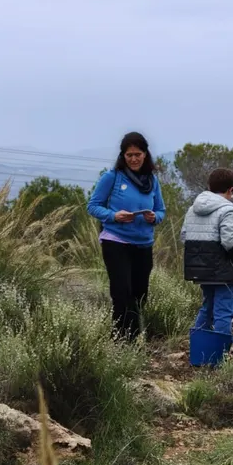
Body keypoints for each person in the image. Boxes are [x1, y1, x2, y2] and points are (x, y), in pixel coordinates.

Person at [87, 131, 166, 342]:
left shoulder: (152, 181)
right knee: (122, 294)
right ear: (123, 155)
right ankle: (119, 341)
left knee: (139, 296)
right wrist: (114, 216)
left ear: (145, 155)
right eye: (129, 154)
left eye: (137, 154)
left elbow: (161, 210)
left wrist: (154, 218)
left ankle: (133, 338)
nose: (133, 158)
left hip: (143, 244)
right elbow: (93, 206)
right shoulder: (111, 177)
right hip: (116, 241)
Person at [180, 168, 233, 336]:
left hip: (201, 269)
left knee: (208, 308)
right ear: (231, 190)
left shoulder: (192, 209)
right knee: (224, 312)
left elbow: (184, 237)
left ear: (209, 186)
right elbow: (230, 241)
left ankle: (200, 352)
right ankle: (221, 356)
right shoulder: (228, 209)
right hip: (225, 271)